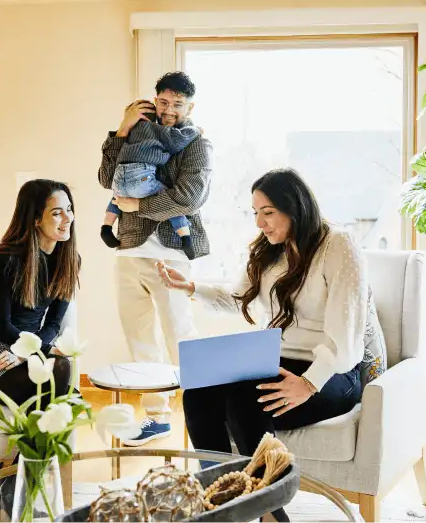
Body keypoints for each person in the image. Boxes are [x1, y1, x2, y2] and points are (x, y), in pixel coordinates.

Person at [157, 168, 369, 459]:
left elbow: (345, 338)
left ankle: (266, 502)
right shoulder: (270, 250)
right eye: (256, 212)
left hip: (333, 372)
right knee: (198, 394)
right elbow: (238, 298)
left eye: (267, 212)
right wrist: (190, 287)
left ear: (294, 206)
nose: (260, 223)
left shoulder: (338, 245)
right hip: (278, 361)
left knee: (245, 401)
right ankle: (220, 491)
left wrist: (308, 383)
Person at [98, 71, 213, 445]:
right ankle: (157, 417)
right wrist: (121, 129)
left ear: (189, 107)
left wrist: (140, 205)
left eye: (177, 105)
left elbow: (189, 197)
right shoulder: (135, 131)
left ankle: (204, 418)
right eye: (163, 102)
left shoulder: (197, 143)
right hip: (129, 249)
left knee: (181, 336)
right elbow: (106, 179)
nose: (169, 111)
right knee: (139, 338)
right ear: (154, 100)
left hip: (172, 254)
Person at [0, 179, 81, 408]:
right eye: (57, 213)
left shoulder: (70, 261)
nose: (68, 218)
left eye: (69, 210)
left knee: (70, 397)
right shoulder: (5, 259)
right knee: (63, 379)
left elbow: (53, 325)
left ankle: (26, 445)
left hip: (26, 350)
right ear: (36, 219)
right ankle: (33, 445)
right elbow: (2, 327)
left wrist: (26, 354)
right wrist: (32, 351)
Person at [100, 101, 202, 259]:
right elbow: (178, 139)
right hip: (141, 178)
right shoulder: (156, 130)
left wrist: (124, 128)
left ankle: (106, 227)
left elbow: (109, 181)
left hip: (120, 178)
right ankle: (185, 237)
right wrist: (196, 130)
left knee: (117, 197)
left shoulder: (126, 137)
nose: (168, 110)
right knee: (166, 197)